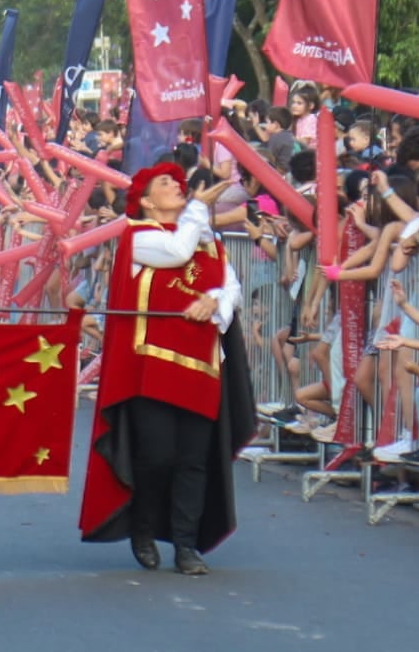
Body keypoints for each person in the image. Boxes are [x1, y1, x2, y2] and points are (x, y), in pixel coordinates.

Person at [79, 162, 256, 576]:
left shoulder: (207, 241)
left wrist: (215, 300)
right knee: (157, 457)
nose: (176, 187)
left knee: (194, 460)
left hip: (201, 366)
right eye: (165, 183)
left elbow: (231, 286)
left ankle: (186, 545)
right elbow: (177, 252)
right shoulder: (139, 238)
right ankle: (142, 527)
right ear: (145, 201)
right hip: (151, 369)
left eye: (179, 183)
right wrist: (197, 209)